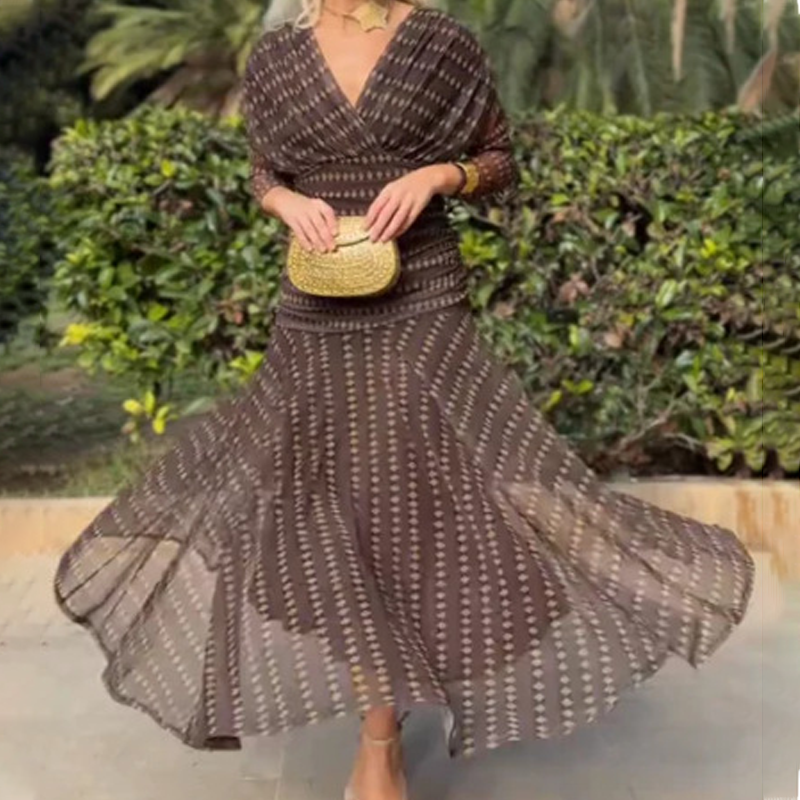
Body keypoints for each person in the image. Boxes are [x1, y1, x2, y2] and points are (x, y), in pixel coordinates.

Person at [52, 1, 756, 799]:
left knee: (404, 504)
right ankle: (381, 716)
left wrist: (437, 175)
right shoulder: (278, 54)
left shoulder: (440, 41)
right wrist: (287, 204)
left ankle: (380, 734)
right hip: (317, 305)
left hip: (420, 297)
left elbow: (498, 160)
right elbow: (263, 172)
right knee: (336, 505)